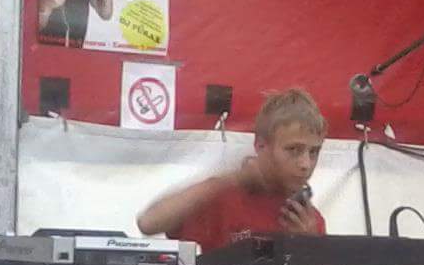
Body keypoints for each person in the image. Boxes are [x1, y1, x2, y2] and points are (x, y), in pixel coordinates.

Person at [136, 88, 327, 252]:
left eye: (314, 152)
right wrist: (233, 179)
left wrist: (310, 246)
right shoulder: (224, 198)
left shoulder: (309, 221)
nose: (306, 164)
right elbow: (148, 222)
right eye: (293, 150)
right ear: (261, 146)